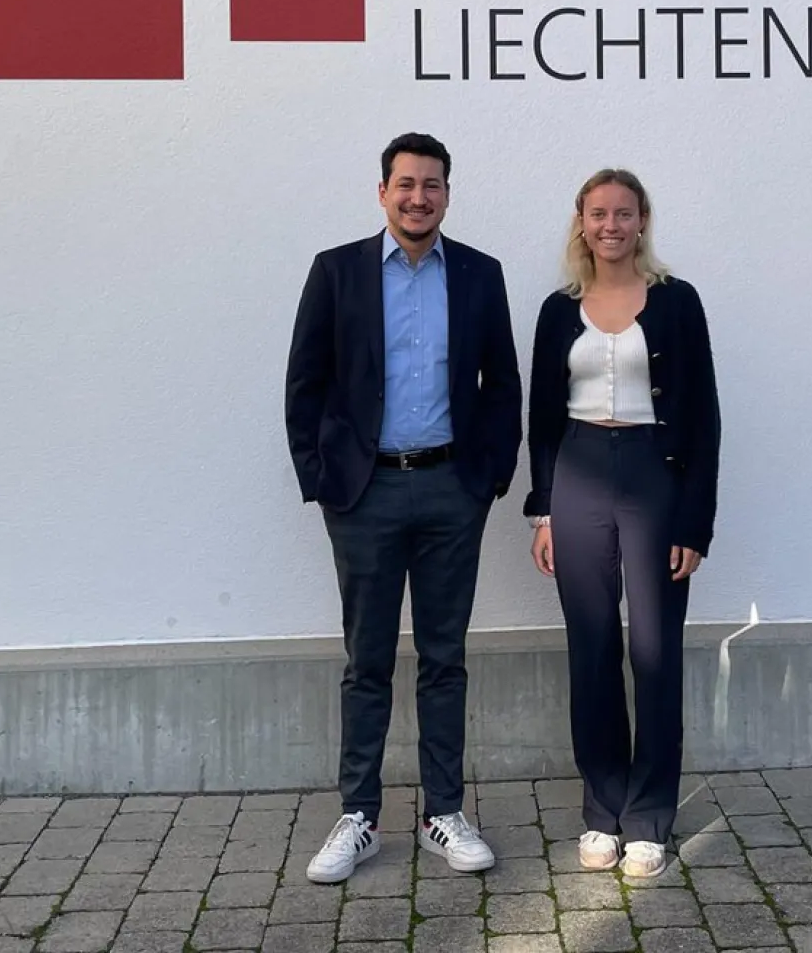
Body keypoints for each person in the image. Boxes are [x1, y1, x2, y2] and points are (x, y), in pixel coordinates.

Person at [285, 132, 523, 883]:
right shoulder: (337, 271)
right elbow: (305, 382)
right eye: (406, 184)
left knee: (445, 658)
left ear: (448, 194)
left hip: (452, 489)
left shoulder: (480, 274)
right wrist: (322, 479)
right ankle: (359, 815)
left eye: (432, 185)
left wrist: (490, 478)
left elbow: (502, 383)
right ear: (382, 191)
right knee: (368, 661)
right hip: (366, 494)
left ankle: (442, 812)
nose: (419, 198)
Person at [524, 168, 720, 879]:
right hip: (578, 474)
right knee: (593, 648)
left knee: (655, 650)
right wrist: (544, 510)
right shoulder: (558, 309)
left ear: (643, 221)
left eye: (624, 213)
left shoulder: (677, 301)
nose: (611, 225)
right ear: (581, 221)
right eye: (599, 213)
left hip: (652, 476)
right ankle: (602, 810)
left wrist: (694, 523)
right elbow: (542, 418)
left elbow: (704, 416)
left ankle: (649, 819)